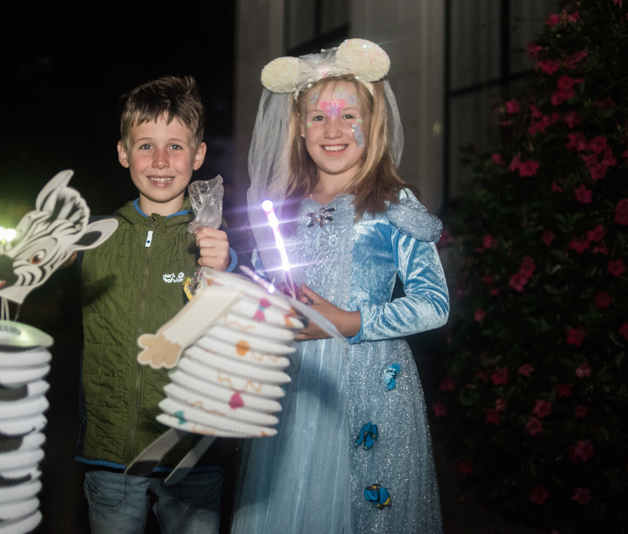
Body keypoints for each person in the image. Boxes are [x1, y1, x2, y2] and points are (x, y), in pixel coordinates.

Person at [232, 39, 449, 533]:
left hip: (371, 385)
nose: (332, 130)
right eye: (317, 117)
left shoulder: (392, 204)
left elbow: (434, 304)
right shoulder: (282, 208)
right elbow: (266, 287)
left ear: (373, 124)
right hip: (296, 386)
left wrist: (349, 321)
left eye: (348, 115)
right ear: (298, 126)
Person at [76, 75, 237, 534]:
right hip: (110, 455)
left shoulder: (216, 242)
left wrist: (227, 267)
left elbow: (249, 316)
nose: (161, 161)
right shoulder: (94, 238)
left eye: (176, 147)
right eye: (146, 146)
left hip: (192, 456)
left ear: (198, 155)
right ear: (123, 152)